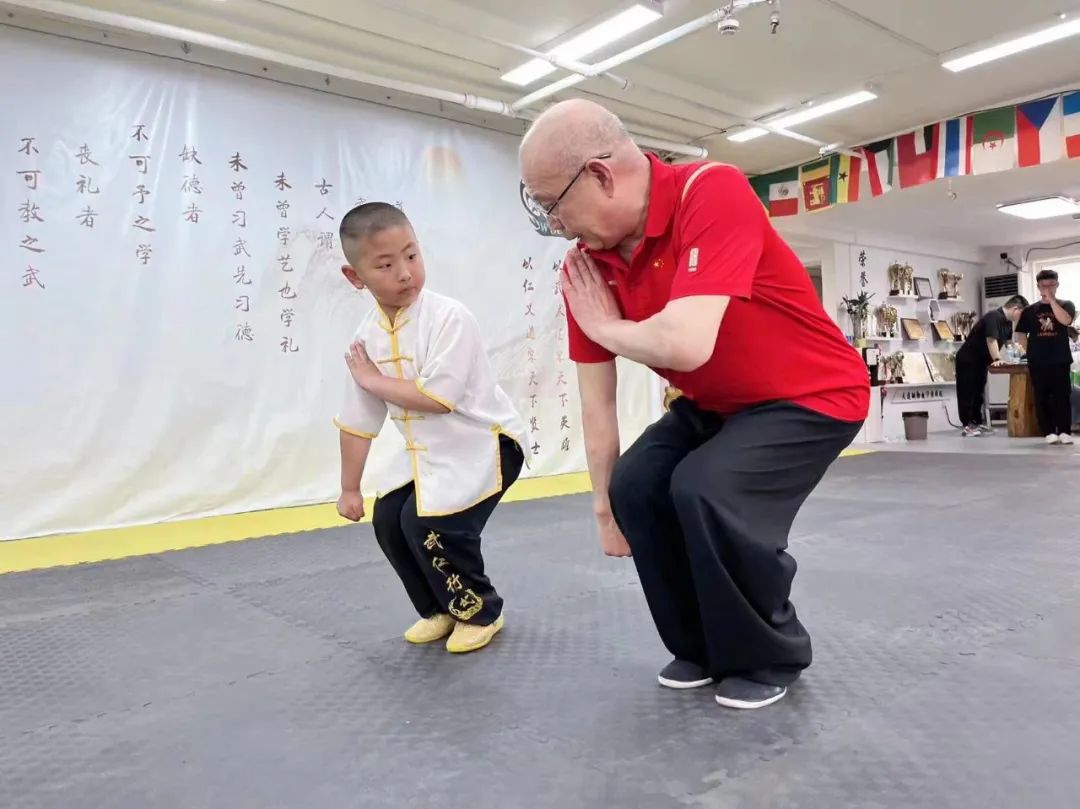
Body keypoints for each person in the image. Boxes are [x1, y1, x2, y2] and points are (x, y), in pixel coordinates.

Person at [519, 100, 869, 710]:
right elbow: (596, 406)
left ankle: (769, 653)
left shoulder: (713, 189)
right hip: (718, 401)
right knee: (637, 485)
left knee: (708, 489)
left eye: (553, 206)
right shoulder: (589, 266)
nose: (555, 226)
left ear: (600, 176)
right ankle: (700, 647)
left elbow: (685, 341)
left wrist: (608, 329)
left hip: (814, 394)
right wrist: (604, 508)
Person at [334, 202, 526, 653]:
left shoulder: (449, 317)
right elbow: (358, 421)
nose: (405, 273)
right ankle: (439, 608)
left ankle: (479, 611)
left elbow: (439, 399)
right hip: (431, 453)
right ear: (355, 276)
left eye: (412, 255)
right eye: (385, 264)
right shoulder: (366, 340)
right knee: (388, 519)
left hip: (486, 442)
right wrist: (350, 489)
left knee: (430, 523)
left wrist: (374, 380)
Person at [1015, 269, 1075, 446]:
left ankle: (1064, 430)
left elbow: (1065, 321)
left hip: (1060, 358)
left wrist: (1052, 301)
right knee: (1041, 397)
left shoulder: (1066, 304)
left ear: (1057, 285)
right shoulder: (1029, 311)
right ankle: (1048, 431)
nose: (1047, 289)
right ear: (1038, 287)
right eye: (1043, 286)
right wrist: (1028, 352)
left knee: (1062, 396)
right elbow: (1019, 334)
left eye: (1051, 285)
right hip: (1038, 361)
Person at [954, 295, 1028, 437]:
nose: (1021, 317)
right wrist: (997, 358)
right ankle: (967, 425)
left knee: (979, 392)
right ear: (1015, 309)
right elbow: (991, 340)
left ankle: (977, 422)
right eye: (1022, 313)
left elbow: (1008, 343)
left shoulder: (1007, 323)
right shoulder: (993, 317)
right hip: (968, 359)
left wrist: (1021, 355)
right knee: (967, 392)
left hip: (981, 361)